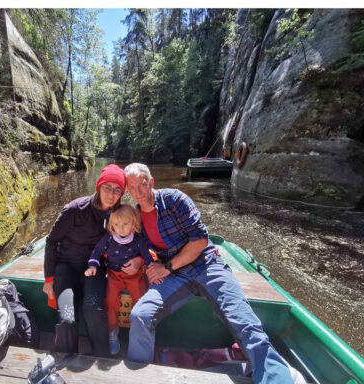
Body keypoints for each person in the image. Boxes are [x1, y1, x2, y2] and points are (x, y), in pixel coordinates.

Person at [123, 163, 305, 383]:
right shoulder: (137, 215)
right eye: (131, 188)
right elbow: (140, 245)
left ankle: (276, 378)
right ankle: (140, 375)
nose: (137, 192)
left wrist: (168, 267)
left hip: (206, 265)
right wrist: (138, 261)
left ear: (151, 182)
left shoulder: (175, 200)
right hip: (176, 275)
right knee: (140, 316)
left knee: (243, 321)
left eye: (141, 185)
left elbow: (200, 241)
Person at [43, 164, 128, 356]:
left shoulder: (117, 214)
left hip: (94, 269)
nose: (111, 194)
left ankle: (101, 355)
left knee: (93, 309)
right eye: (107, 187)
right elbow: (51, 241)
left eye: (117, 190)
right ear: (99, 186)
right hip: (66, 268)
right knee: (67, 318)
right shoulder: (74, 209)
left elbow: (133, 234)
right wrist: (49, 279)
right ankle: (65, 357)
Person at [84, 203, 156, 355]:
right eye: (116, 224)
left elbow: (147, 256)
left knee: (140, 300)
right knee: (110, 301)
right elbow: (96, 251)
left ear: (134, 223)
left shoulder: (138, 239)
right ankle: (112, 331)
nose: (121, 228)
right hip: (114, 275)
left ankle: (138, 332)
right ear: (111, 225)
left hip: (134, 276)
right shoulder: (109, 239)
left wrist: (153, 271)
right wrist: (93, 266)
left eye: (125, 224)